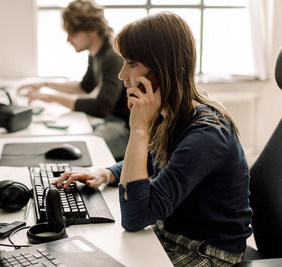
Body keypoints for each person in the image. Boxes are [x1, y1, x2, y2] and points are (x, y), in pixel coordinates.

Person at [53, 12, 252, 266]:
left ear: (162, 67)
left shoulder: (207, 134)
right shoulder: (172, 111)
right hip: (172, 233)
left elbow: (135, 217)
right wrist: (107, 173)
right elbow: (152, 158)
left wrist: (138, 129)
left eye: (132, 63)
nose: (122, 75)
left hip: (208, 253)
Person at [17, 0, 129, 161]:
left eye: (73, 33)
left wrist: (50, 97)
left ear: (91, 30)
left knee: (80, 152)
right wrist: (45, 84)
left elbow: (101, 107)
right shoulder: (97, 52)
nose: (68, 39)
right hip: (111, 121)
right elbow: (85, 87)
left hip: (125, 129)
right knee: (65, 140)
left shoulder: (111, 56)